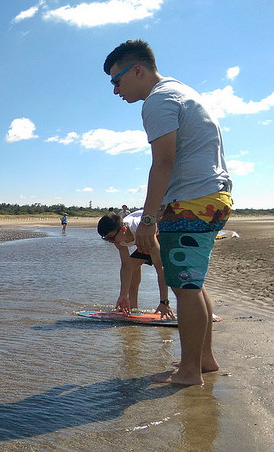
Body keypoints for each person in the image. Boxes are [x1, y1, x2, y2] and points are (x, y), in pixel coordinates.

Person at [104, 39, 232, 385]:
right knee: (193, 283)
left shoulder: (159, 100)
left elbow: (163, 162)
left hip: (190, 202)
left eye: (116, 80)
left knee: (185, 288)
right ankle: (203, 359)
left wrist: (148, 219)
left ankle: (190, 372)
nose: (115, 89)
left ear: (138, 70)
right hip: (211, 199)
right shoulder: (180, 91)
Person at [98, 210, 173, 318]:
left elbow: (160, 269)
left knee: (163, 267)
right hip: (143, 231)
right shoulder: (118, 239)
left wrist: (164, 302)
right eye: (105, 239)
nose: (110, 241)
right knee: (132, 267)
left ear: (123, 229)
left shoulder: (140, 232)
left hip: (162, 232)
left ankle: (167, 306)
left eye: (111, 238)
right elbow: (126, 266)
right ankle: (133, 307)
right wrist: (123, 295)